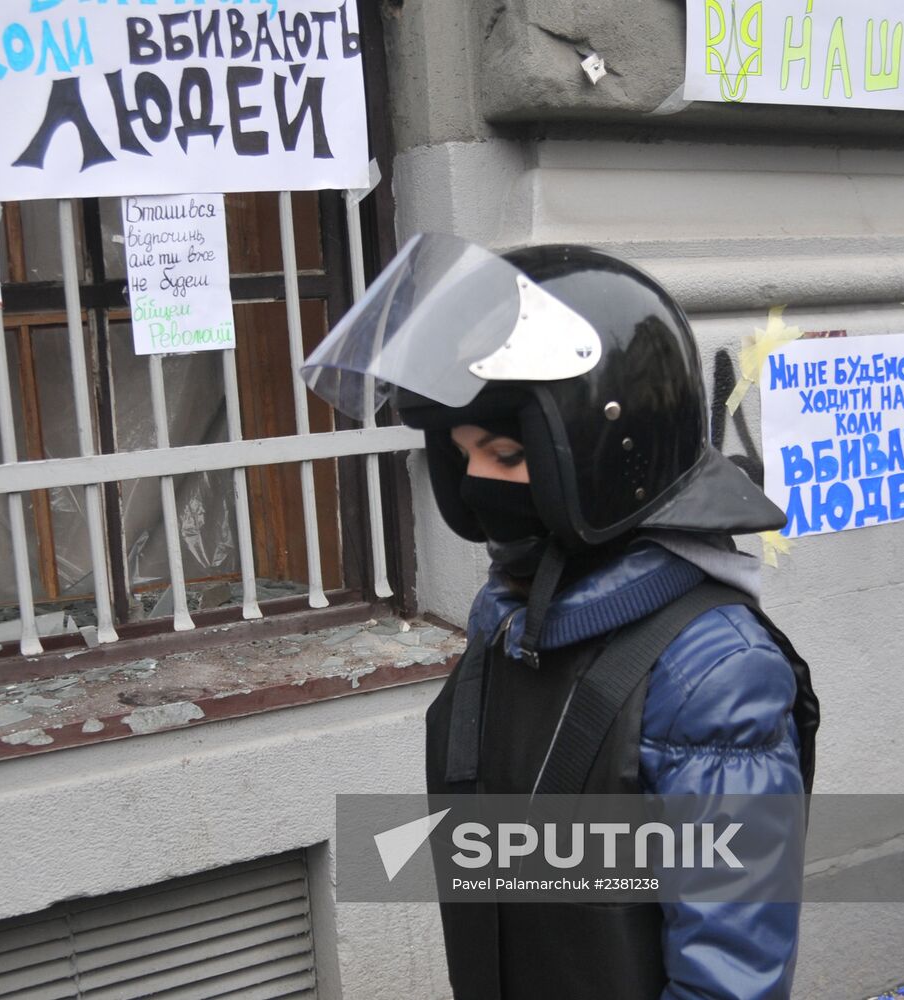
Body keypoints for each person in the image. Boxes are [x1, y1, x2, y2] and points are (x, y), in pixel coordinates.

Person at [302, 237, 819, 999]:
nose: (477, 478)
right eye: (462, 451)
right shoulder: (510, 623)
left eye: (508, 455)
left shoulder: (713, 670)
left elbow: (730, 974)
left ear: (609, 454)